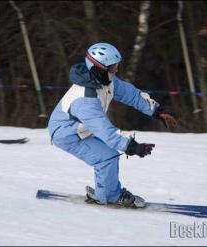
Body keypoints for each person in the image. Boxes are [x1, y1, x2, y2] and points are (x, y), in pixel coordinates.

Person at [48, 43, 178, 207]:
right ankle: (110, 196)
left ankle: (106, 192)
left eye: (116, 66)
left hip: (83, 128)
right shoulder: (85, 101)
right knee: (106, 157)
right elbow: (105, 131)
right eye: (112, 68)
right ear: (98, 69)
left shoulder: (105, 82)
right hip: (67, 134)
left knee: (109, 155)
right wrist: (131, 146)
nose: (116, 71)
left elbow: (131, 95)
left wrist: (156, 110)